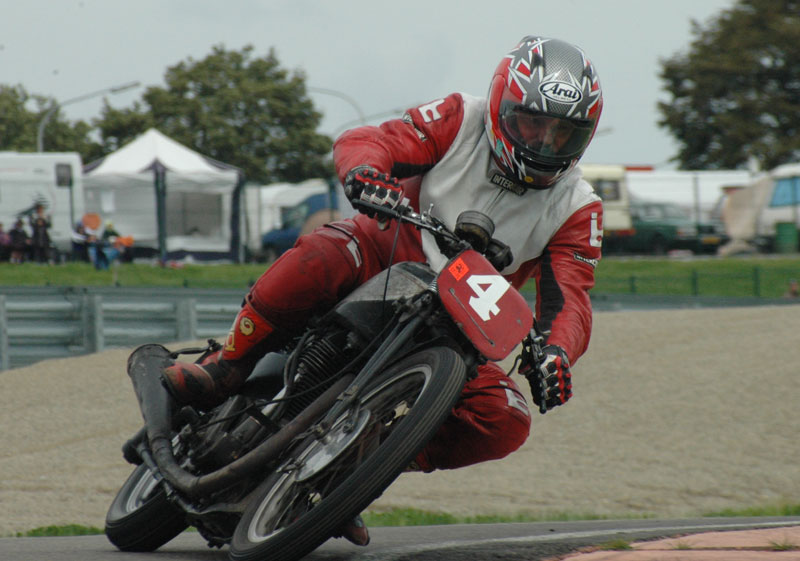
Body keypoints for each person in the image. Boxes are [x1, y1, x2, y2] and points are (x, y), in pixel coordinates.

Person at [161, 35, 604, 545]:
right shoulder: (461, 116)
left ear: (585, 137)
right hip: (388, 248)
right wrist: (366, 173)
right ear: (504, 104)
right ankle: (228, 364)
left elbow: (572, 299)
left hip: (465, 320)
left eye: (563, 134)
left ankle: (348, 476)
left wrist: (557, 354)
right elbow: (374, 139)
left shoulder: (579, 205)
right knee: (319, 255)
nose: (544, 144)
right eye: (533, 124)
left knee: (504, 420)